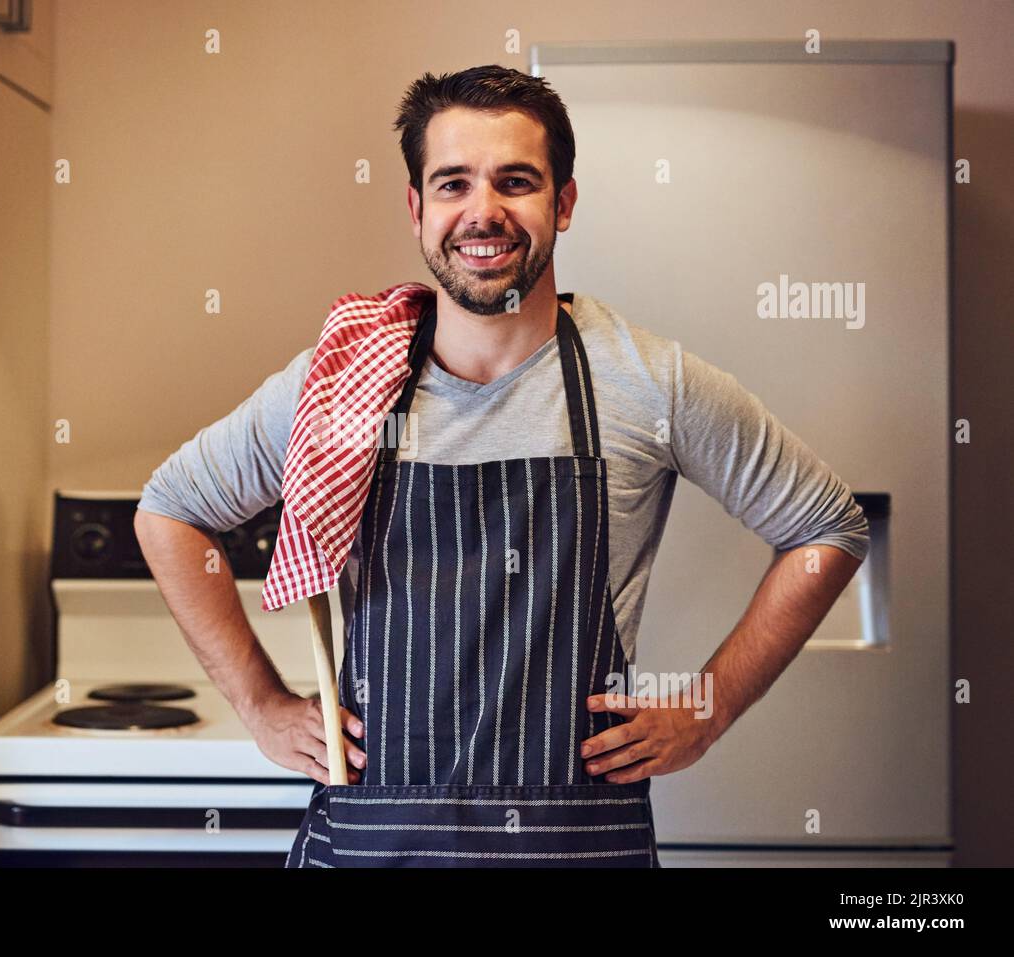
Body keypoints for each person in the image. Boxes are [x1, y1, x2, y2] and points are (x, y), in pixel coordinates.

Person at [134, 64, 868, 868]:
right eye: (453, 183)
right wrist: (263, 704)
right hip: (373, 841)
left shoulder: (647, 381)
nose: (483, 211)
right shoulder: (341, 380)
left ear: (565, 202)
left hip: (578, 845)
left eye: (516, 181)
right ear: (417, 208)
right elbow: (170, 509)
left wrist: (710, 705)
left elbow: (827, 528)